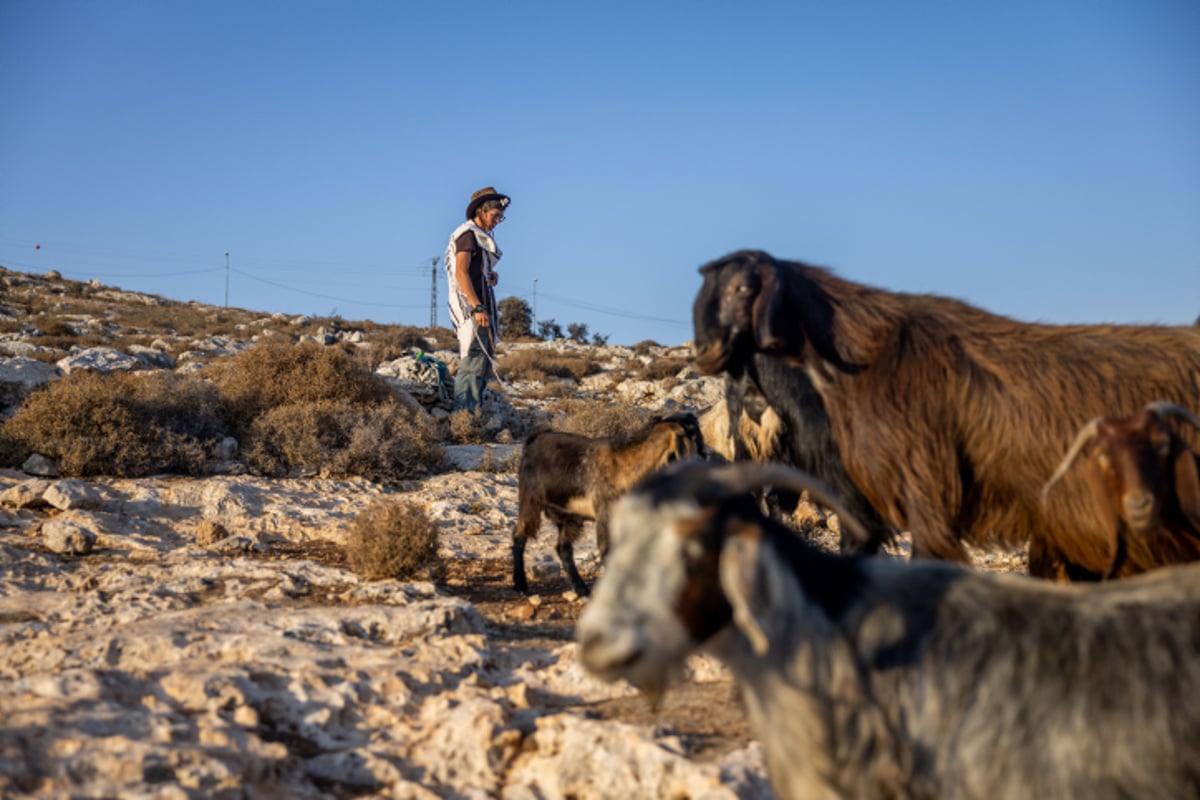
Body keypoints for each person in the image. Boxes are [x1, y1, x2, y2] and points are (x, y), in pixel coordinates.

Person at [445, 186, 510, 415]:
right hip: (474, 310)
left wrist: (488, 276)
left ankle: (472, 416)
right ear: (482, 212)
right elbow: (460, 273)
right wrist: (477, 306)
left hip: (481, 308)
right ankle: (464, 419)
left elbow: (473, 271)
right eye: (495, 216)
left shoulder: (478, 239)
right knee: (473, 363)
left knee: (482, 364)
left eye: (501, 217)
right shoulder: (467, 235)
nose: (498, 221)